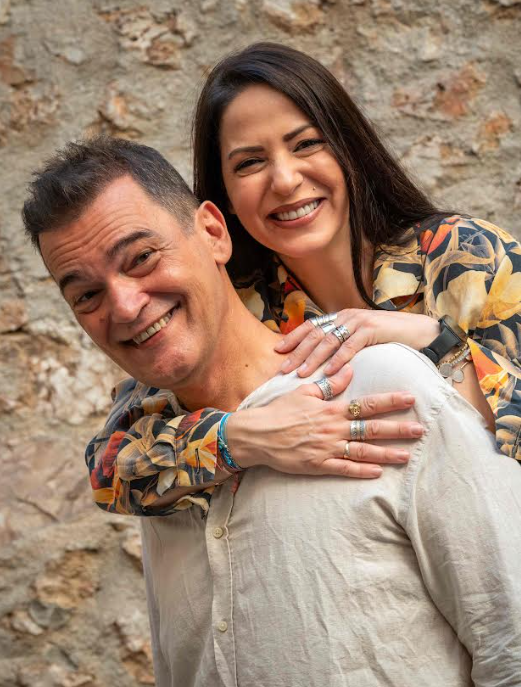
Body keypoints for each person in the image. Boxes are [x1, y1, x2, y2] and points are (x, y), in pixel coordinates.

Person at [22, 137, 521, 685]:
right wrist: (236, 440)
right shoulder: (159, 460)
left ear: (213, 233)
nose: (124, 306)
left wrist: (434, 340)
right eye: (86, 296)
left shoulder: (387, 383)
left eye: (142, 258)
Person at [86, 42, 521, 518]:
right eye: (249, 163)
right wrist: (239, 439)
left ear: (349, 149)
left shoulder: (465, 255)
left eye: (306, 144)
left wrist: (432, 340)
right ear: (224, 197)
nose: (285, 180)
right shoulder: (235, 305)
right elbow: (109, 472)